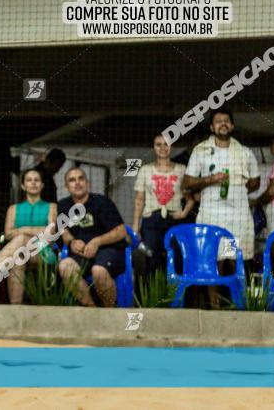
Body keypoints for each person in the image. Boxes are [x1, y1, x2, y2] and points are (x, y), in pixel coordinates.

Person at [183, 109, 259, 307]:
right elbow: (188, 183)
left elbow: (255, 182)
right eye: (218, 121)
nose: (223, 124)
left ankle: (239, 304)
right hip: (212, 215)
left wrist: (237, 190)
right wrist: (211, 179)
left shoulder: (244, 152)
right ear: (211, 127)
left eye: (226, 121)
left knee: (233, 259)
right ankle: (215, 305)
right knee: (213, 260)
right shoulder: (200, 150)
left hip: (236, 217)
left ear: (232, 126)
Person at [0, 168, 57, 304]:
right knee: (17, 259)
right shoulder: (13, 209)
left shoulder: (51, 207)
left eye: (36, 180)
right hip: (19, 252)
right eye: (29, 180)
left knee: (20, 239)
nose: (33, 183)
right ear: (23, 185)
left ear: (42, 185)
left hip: (43, 251)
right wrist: (36, 231)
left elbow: (50, 232)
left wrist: (23, 229)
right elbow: (8, 234)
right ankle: (16, 310)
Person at [57, 167, 127, 307]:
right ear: (66, 186)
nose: (77, 183)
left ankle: (110, 312)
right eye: (72, 180)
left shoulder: (102, 202)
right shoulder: (63, 206)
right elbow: (63, 231)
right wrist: (71, 242)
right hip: (82, 254)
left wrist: (97, 241)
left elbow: (121, 231)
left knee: (98, 271)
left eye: (80, 178)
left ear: (87, 183)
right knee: (65, 266)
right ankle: (91, 310)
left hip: (109, 250)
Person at [132, 134, 195, 275]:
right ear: (153, 148)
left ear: (171, 147)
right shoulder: (145, 170)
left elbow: (190, 198)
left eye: (166, 144)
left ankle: (174, 296)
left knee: (176, 259)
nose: (162, 148)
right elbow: (139, 199)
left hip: (175, 219)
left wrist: (184, 213)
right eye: (158, 144)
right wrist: (135, 227)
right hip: (151, 221)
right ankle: (153, 295)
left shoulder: (181, 169)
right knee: (151, 259)